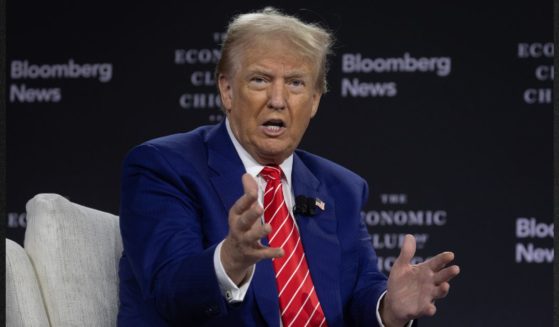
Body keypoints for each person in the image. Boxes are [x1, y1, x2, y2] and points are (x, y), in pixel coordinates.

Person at [118, 7, 460, 327]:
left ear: (313, 101)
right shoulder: (164, 167)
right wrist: (230, 260)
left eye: (296, 83)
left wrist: (389, 309)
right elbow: (168, 291)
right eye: (260, 80)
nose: (278, 99)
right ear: (227, 90)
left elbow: (359, 294)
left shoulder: (341, 188)